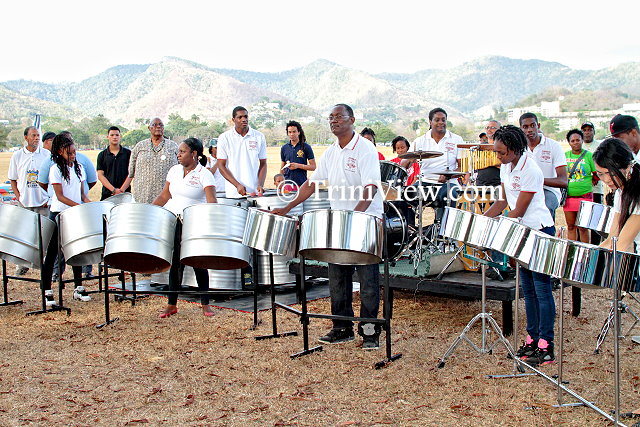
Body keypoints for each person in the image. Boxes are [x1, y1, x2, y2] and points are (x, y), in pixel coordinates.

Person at [273, 103, 383, 350]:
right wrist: (287, 207)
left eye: (339, 117)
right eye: (330, 117)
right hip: (340, 222)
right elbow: (312, 185)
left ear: (351, 119)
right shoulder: (331, 152)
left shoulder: (365, 149)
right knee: (338, 277)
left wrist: (355, 217)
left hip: (365, 221)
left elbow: (371, 187)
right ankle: (341, 328)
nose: (333, 121)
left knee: (367, 281)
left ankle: (369, 331)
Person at [484, 125, 556, 366]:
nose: (498, 157)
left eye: (502, 152)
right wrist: (483, 220)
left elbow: (520, 210)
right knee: (528, 289)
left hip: (539, 230)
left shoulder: (531, 169)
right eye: (497, 152)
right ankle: (532, 338)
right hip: (521, 231)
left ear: (515, 149)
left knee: (542, 289)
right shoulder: (506, 166)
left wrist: (499, 224)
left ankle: (546, 344)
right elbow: (503, 201)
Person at [152, 137, 217, 318]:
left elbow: (212, 201)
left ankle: (206, 305)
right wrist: (150, 211)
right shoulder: (174, 171)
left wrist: (208, 224)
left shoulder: (205, 174)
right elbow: (165, 196)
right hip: (173, 221)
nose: (178, 154)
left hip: (193, 224)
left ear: (194, 154)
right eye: (179, 151)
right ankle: (171, 304)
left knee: (198, 263)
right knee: (175, 264)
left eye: (182, 151)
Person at [37, 131, 98, 279]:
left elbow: (82, 194)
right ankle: (47, 289)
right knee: (52, 253)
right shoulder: (55, 169)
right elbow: (60, 196)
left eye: (74, 152)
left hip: (74, 214)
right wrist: (78, 206)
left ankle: (78, 288)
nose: (72, 156)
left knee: (76, 251)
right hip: (59, 213)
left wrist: (91, 205)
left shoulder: (79, 169)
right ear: (59, 152)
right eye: (69, 153)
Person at [7, 126, 51, 275]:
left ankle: (45, 266)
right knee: (24, 235)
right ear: (26, 137)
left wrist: (49, 197)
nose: (37, 138)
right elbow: (12, 179)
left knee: (45, 236)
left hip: (43, 202)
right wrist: (19, 197)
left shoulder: (46, 155)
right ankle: (22, 265)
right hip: (25, 203)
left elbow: (52, 178)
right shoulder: (17, 156)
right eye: (33, 136)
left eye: (38, 136)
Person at [409, 107, 462, 222]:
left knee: (449, 195)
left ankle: (443, 235)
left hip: (448, 183)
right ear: (430, 122)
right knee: (405, 195)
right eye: (437, 120)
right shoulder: (420, 141)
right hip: (425, 182)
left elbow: (462, 166)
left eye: (443, 120)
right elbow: (407, 160)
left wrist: (449, 176)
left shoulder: (457, 139)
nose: (441, 123)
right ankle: (409, 231)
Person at [595, 138, 640, 254]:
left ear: (628, 166)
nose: (606, 179)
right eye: (600, 174)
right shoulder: (620, 192)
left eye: (611, 173)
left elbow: (621, 245)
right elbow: (612, 240)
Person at [519, 113, 568, 220]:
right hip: (524, 191)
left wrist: (537, 180)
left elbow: (563, 181)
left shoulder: (554, 146)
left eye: (533, 125)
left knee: (545, 207)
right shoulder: (518, 149)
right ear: (520, 129)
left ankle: (547, 234)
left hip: (548, 191)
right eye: (525, 127)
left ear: (538, 126)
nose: (530, 130)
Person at [125, 117, 178, 204]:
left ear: (163, 128)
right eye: (154, 125)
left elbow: (181, 168)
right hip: (142, 195)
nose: (158, 127)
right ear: (149, 128)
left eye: (161, 125)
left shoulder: (173, 146)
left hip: (167, 197)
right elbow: (131, 171)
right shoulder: (140, 146)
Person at [217, 107, 267, 198]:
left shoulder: (259, 136)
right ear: (233, 120)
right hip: (234, 193)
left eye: (246, 116)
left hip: (254, 193)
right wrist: (237, 185)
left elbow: (263, 164)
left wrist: (260, 184)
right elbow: (221, 166)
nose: (244, 119)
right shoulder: (224, 138)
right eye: (240, 117)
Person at [563, 129, 597, 242]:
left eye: (578, 140)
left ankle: (585, 253)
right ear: (569, 142)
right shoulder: (565, 156)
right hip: (569, 197)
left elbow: (596, 173)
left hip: (585, 196)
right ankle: (572, 252)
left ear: (582, 140)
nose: (576, 142)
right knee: (571, 226)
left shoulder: (589, 156)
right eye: (573, 140)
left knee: (583, 228)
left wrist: (592, 181)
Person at [390, 136, 419, 227]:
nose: (400, 150)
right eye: (398, 148)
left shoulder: (414, 163)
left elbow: (416, 178)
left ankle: (410, 229)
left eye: (403, 147)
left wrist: (408, 189)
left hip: (409, 193)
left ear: (407, 148)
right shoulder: (392, 163)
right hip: (396, 194)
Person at [96, 126, 132, 200]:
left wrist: (122, 190)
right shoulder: (102, 155)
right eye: (112, 135)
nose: (114, 137)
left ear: (120, 136)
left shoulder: (128, 153)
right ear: (107, 137)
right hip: (107, 194)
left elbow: (131, 173)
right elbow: (100, 175)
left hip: (125, 193)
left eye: (117, 135)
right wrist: (113, 190)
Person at [280, 120, 316, 189]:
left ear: (298, 132)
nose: (292, 134)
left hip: (301, 184)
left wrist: (298, 166)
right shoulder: (284, 148)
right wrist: (280, 182)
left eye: (294, 132)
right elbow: (282, 167)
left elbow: (313, 167)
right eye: (289, 132)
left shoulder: (306, 147)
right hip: (287, 185)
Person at [476, 120, 502, 187]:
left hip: (499, 185)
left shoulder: (503, 146)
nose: (489, 130)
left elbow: (505, 164)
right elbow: (476, 164)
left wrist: (487, 162)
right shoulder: (481, 147)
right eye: (487, 127)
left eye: (492, 127)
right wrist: (493, 163)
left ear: (500, 129)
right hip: (480, 185)